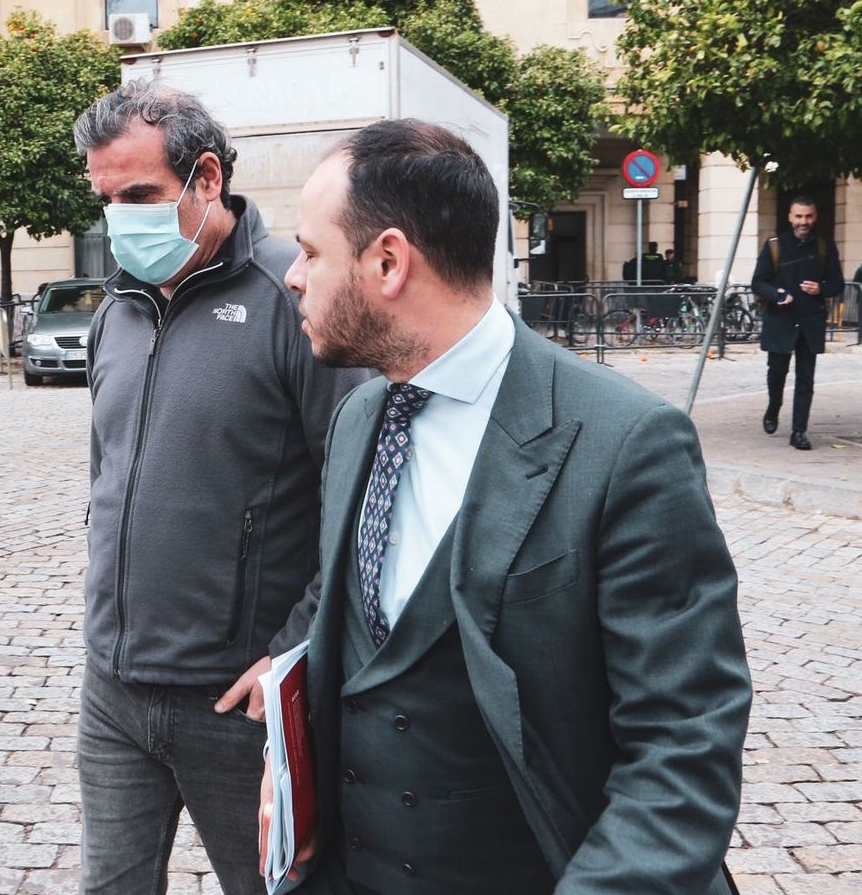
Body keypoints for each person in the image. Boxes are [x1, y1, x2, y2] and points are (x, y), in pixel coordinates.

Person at [272, 119, 751, 894]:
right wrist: (294, 778)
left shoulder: (626, 442)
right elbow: (351, 621)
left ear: (388, 261)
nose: (293, 275)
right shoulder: (359, 417)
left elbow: (683, 743)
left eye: (311, 251)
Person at [72, 80, 371, 895]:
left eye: (140, 194)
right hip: (114, 693)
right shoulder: (118, 311)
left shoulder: (296, 297)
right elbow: (109, 478)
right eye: (106, 199)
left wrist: (290, 654)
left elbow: (361, 501)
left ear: (207, 179)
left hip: (238, 705)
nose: (120, 218)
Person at [751, 195, 843, 450]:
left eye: (808, 216)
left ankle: (799, 431)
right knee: (777, 373)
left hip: (810, 322)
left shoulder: (825, 247)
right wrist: (777, 294)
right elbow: (758, 282)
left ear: (815, 217)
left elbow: (837, 284)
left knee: (806, 380)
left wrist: (821, 288)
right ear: (790, 217)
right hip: (781, 320)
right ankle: (773, 407)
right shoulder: (774, 245)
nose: (804, 222)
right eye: (799, 216)